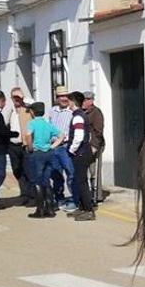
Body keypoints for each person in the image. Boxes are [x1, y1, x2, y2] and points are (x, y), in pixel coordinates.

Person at [24, 102, 63, 218]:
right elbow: (62, 135)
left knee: (37, 180)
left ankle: (40, 209)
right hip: (48, 153)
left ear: (32, 112)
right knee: (46, 180)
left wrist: (30, 147)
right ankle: (50, 209)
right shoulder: (48, 124)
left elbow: (28, 135)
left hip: (37, 153)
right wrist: (53, 146)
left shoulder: (32, 123)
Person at [65, 92, 95, 221]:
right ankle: (83, 208)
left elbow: (78, 137)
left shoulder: (78, 117)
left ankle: (89, 210)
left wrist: (71, 150)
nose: (68, 103)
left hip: (80, 153)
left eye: (69, 101)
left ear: (73, 102)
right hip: (83, 152)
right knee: (80, 180)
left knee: (82, 182)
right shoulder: (80, 116)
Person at [3, 87, 35, 205]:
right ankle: (24, 194)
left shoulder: (27, 108)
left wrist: (24, 100)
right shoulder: (10, 110)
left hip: (25, 144)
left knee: (28, 170)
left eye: (18, 97)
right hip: (13, 145)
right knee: (17, 170)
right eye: (13, 97)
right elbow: (3, 122)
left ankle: (32, 196)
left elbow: (35, 112)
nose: (16, 100)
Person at [48, 85, 76, 211]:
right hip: (53, 147)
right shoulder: (52, 111)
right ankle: (59, 198)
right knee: (56, 175)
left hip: (65, 147)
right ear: (57, 98)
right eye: (61, 96)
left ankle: (75, 199)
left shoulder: (72, 112)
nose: (64, 98)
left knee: (71, 174)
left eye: (66, 96)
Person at [83, 91, 106, 205]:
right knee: (85, 171)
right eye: (83, 99)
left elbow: (98, 131)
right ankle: (87, 195)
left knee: (94, 172)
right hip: (83, 146)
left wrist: (94, 146)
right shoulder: (82, 112)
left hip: (94, 145)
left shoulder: (96, 113)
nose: (84, 101)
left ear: (91, 101)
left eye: (86, 100)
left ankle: (97, 196)